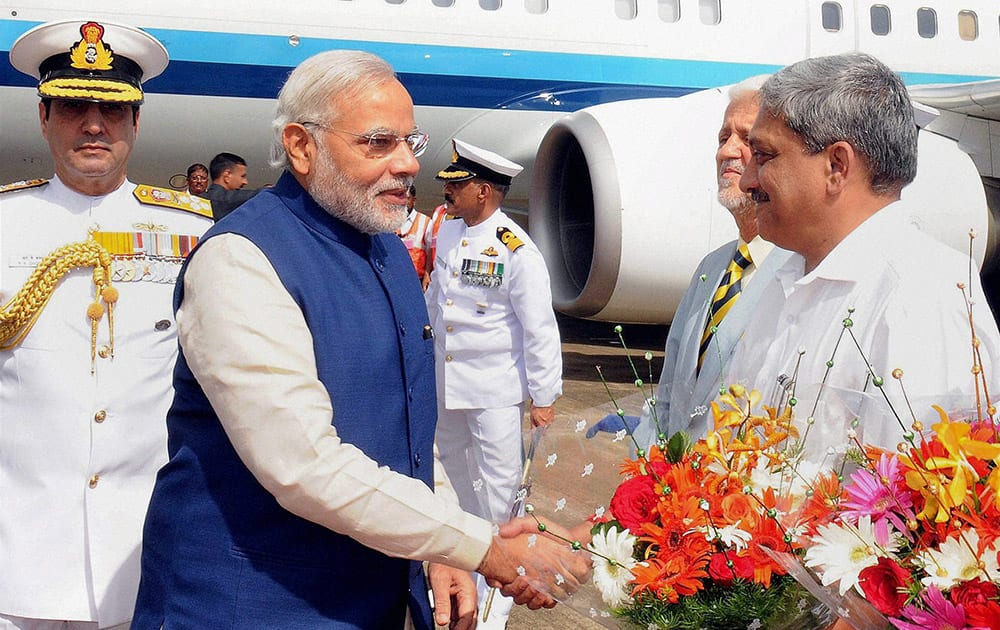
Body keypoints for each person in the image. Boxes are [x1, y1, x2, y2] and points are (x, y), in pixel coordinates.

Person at [131, 50, 589, 629]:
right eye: (378, 143)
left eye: (410, 143)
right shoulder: (242, 260)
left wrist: (439, 542)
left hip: (359, 599)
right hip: (249, 604)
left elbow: (405, 431)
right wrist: (479, 545)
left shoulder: (384, 250)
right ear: (301, 146)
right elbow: (303, 462)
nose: (405, 165)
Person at [0, 19, 213, 630]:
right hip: (20, 555)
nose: (94, 124)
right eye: (72, 106)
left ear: (137, 121)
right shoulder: (7, 221)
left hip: (146, 550)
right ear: (43, 116)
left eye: (113, 110)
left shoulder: (195, 234)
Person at [726, 52, 1000, 457]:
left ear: (837, 165)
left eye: (764, 156)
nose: (748, 180)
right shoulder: (781, 278)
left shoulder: (921, 299)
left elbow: (922, 502)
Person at [426, 139, 563, 629]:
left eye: (456, 186)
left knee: (502, 495)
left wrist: (543, 396)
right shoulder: (446, 233)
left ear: (483, 191)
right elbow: (436, 306)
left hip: (494, 391)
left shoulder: (516, 249)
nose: (447, 193)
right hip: (447, 384)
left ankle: (495, 604)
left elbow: (538, 327)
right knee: (454, 484)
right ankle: (460, 569)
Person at [631, 76, 792, 450]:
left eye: (747, 140)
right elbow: (669, 391)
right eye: (723, 138)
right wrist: (650, 463)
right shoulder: (713, 268)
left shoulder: (800, 273)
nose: (726, 153)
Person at [198, 151, 258, 220]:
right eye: (242, 176)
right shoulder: (225, 201)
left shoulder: (197, 201)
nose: (245, 182)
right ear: (227, 176)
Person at [396, 184, 433, 286]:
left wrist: (427, 275)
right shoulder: (390, 220)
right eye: (400, 197)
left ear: (414, 200)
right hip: (393, 277)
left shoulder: (425, 222)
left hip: (415, 280)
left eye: (407, 198)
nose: (403, 202)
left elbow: (430, 252)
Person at [422, 202, 449, 290]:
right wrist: (427, 273)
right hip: (436, 275)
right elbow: (431, 246)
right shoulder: (439, 211)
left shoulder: (465, 211)